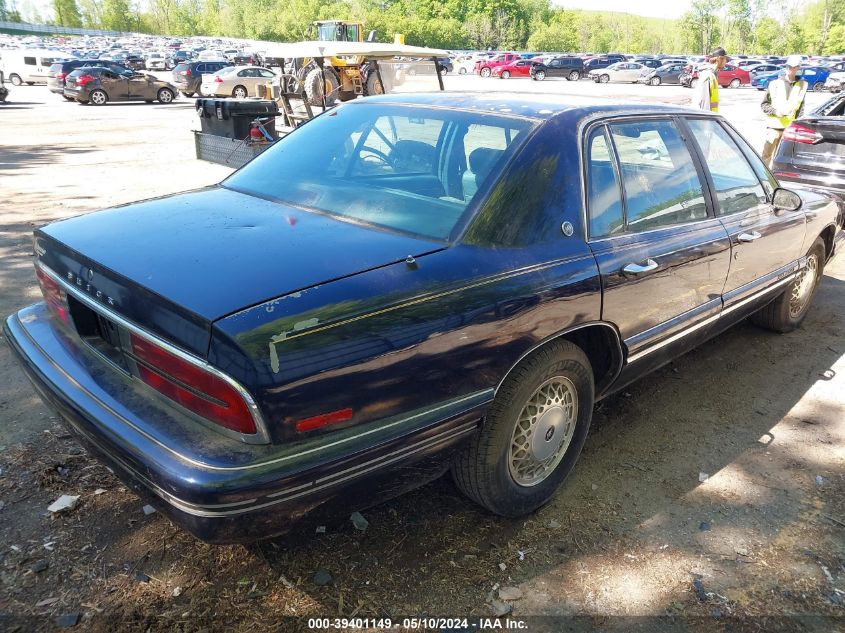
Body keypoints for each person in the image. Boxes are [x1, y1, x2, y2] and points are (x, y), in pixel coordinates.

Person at [760, 55, 808, 167]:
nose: (791, 69)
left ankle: (776, 179)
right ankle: (763, 179)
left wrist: (797, 125)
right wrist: (775, 112)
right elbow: (764, 104)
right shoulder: (775, 84)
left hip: (789, 128)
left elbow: (801, 108)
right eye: (789, 66)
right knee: (766, 155)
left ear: (798, 68)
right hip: (774, 127)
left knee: (780, 159)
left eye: (794, 67)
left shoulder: (802, 85)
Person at [694, 47, 727, 112]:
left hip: (711, 116)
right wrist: (708, 119)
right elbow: (703, 102)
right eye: (725, 59)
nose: (726, 61)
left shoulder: (712, 74)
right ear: (719, 59)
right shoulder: (708, 76)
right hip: (706, 117)